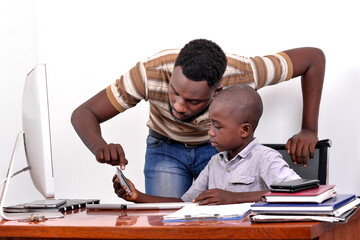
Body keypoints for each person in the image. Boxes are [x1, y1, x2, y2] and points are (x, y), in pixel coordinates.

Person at [71, 39, 325, 198]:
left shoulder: (245, 73)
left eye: (193, 101)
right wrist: (100, 146)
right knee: (168, 229)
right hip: (165, 148)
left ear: (218, 91)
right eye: (174, 92)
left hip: (215, 148)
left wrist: (309, 128)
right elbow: (83, 113)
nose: (179, 107)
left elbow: (313, 58)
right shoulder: (148, 74)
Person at [112, 85, 301, 205]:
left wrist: (235, 198)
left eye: (218, 126)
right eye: (210, 123)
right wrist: (137, 196)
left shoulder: (265, 158)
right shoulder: (214, 163)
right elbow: (183, 202)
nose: (210, 131)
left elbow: (297, 193)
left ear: (244, 130)